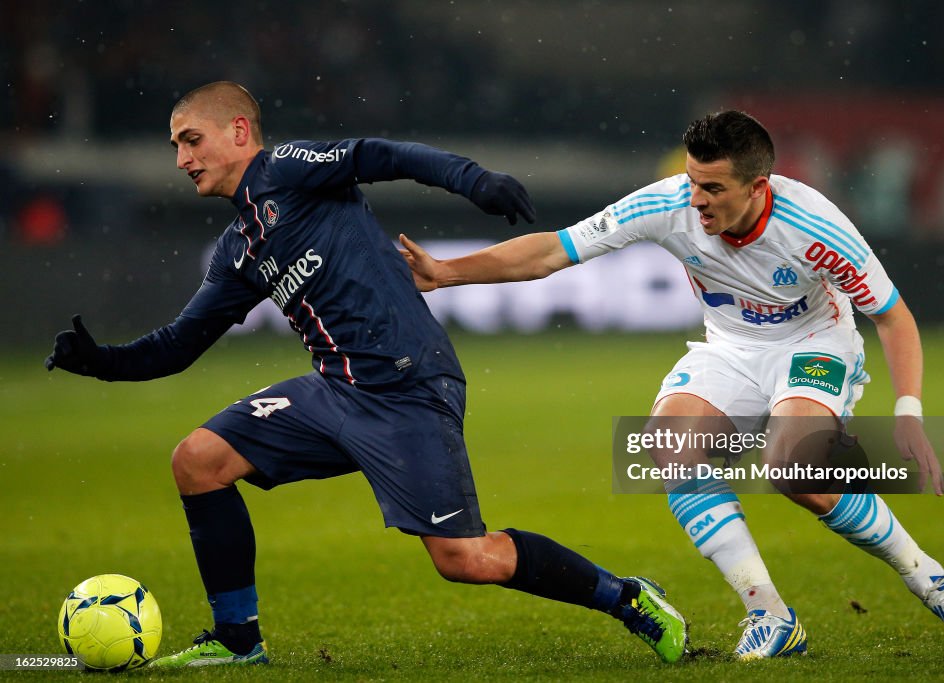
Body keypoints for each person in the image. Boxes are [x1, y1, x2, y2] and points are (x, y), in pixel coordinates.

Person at [44, 81, 689, 668]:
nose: (182, 159)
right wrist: (102, 363)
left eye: (192, 140)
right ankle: (238, 641)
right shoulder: (240, 249)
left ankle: (628, 598)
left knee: (465, 559)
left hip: (409, 386)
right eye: (175, 146)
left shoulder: (289, 170)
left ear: (239, 132)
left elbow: (384, 154)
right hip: (335, 392)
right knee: (198, 461)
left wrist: (474, 181)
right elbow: (179, 345)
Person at [399, 110, 944, 660]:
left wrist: (909, 410)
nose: (697, 200)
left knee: (794, 470)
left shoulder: (814, 228)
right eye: (692, 182)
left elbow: (893, 315)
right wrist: (447, 273)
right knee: (668, 443)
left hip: (813, 345)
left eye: (714, 189)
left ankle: (927, 576)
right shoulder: (667, 204)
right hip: (731, 347)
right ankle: (771, 616)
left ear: (759, 186)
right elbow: (554, 251)